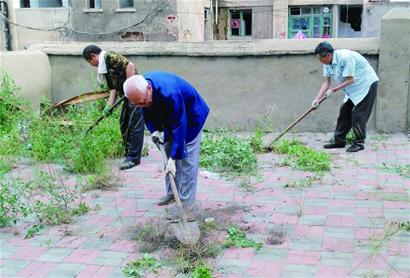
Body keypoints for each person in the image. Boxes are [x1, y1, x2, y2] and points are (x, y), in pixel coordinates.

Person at [123, 72, 209, 209]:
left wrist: (174, 159)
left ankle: (187, 204)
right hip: (171, 119)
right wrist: (154, 130)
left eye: (144, 102)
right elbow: (145, 110)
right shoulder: (141, 91)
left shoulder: (170, 93)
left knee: (187, 162)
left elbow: (180, 125)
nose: (142, 105)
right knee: (168, 153)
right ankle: (172, 194)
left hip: (191, 118)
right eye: (137, 103)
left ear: (149, 89)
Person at [82, 45, 144, 170]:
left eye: (89, 62)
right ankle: (128, 153)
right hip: (127, 96)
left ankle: (133, 159)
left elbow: (130, 66)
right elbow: (113, 89)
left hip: (136, 93)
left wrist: (130, 88)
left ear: (93, 56)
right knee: (124, 124)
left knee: (134, 125)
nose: (91, 65)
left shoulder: (109, 57)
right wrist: (108, 107)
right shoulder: (106, 69)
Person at [312, 42, 379, 152]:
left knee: (358, 114)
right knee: (344, 111)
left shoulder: (345, 58)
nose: (320, 61)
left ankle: (359, 143)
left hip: (366, 84)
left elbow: (350, 79)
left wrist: (334, 90)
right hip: (352, 89)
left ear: (328, 55)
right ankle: (339, 141)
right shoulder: (327, 63)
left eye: (320, 58)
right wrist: (317, 99)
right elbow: (326, 82)